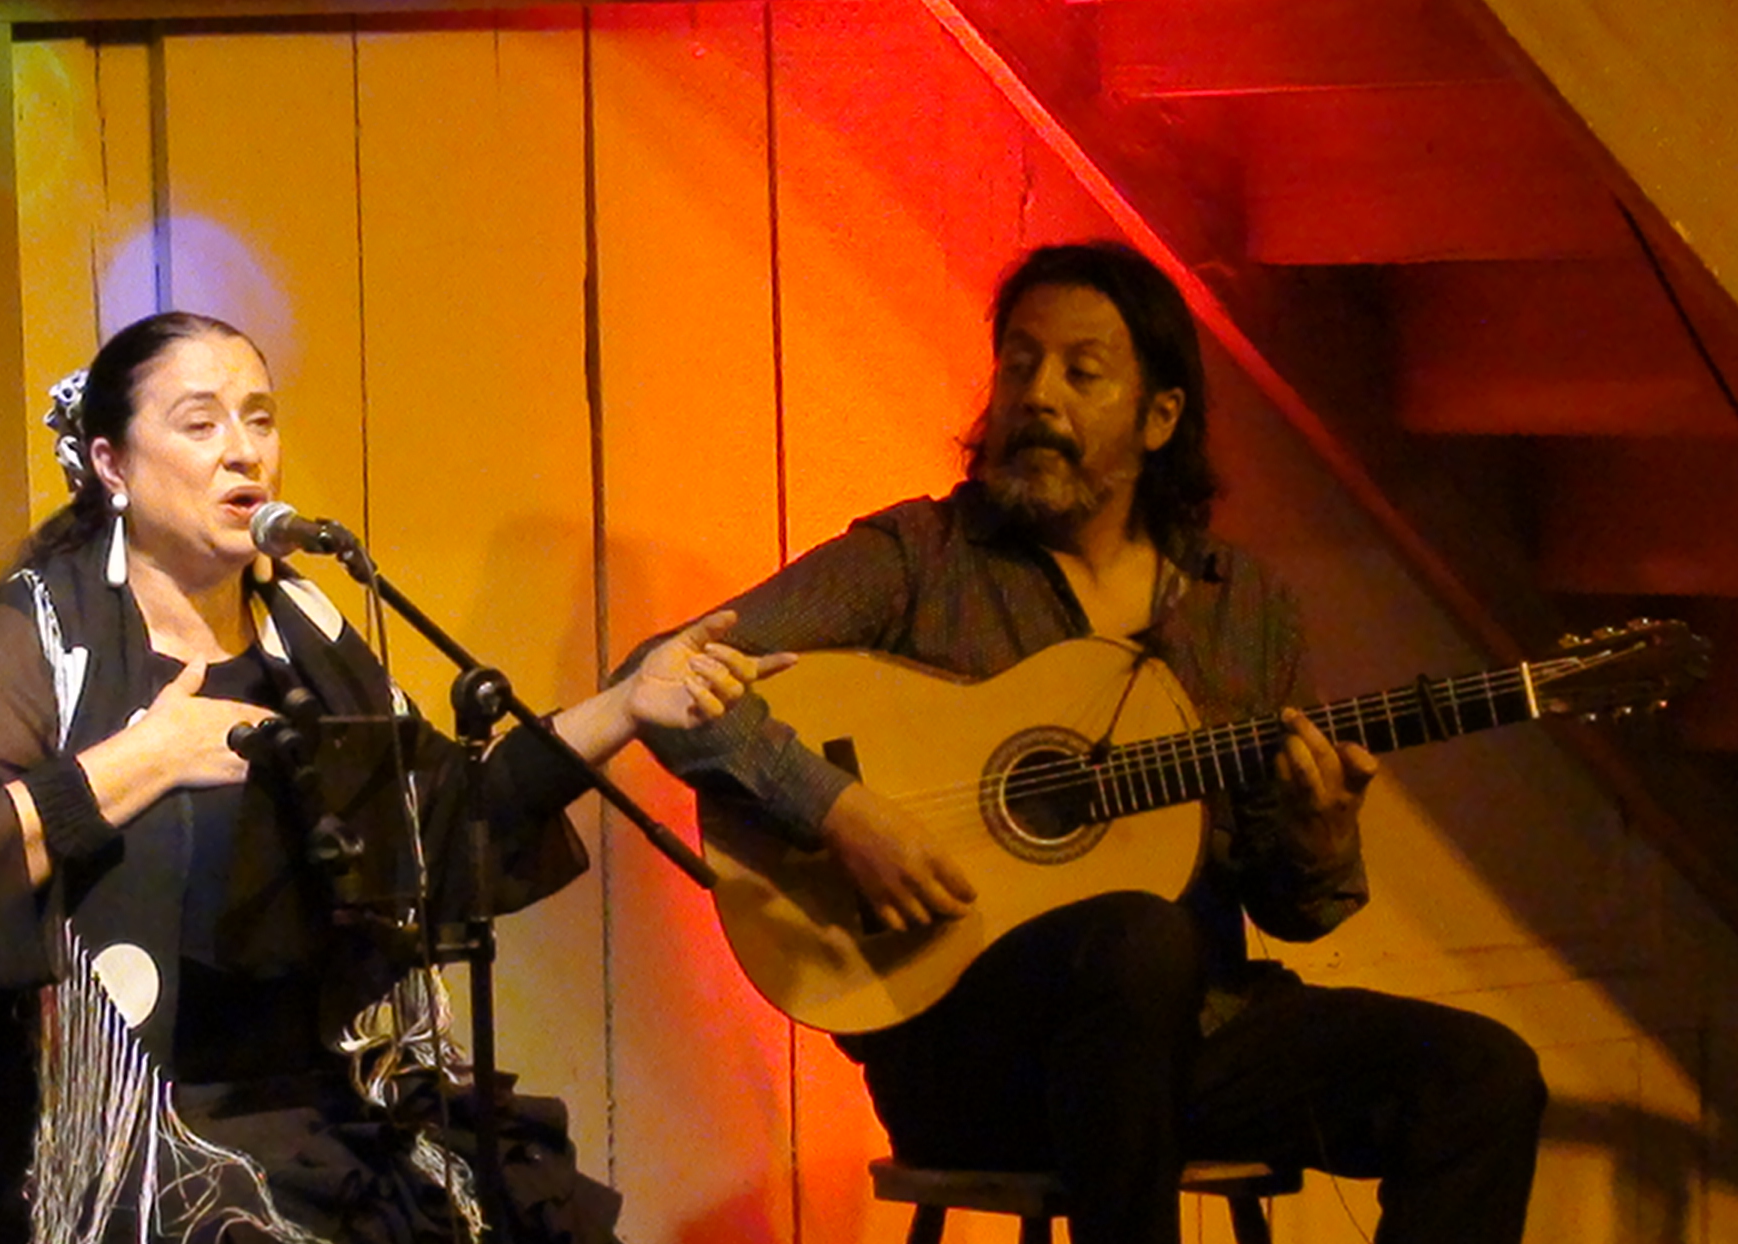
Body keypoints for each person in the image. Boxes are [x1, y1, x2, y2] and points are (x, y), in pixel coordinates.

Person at [622, 242, 1546, 1244]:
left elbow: (1291, 909)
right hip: (972, 1057)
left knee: (1482, 1077)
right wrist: (838, 810)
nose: (1037, 397)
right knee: (1139, 941)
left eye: (1080, 371)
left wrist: (1318, 839)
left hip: (1195, 1040)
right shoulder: (922, 559)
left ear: (1160, 418)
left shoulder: (1245, 608)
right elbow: (665, 677)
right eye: (1018, 364)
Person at [0, 310, 789, 1244]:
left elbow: (440, 817)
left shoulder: (303, 630)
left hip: (332, 1100)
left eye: (259, 419)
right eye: (200, 424)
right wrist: (151, 755)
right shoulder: (36, 630)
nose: (243, 452)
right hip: (135, 1124)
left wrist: (627, 706)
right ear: (112, 465)